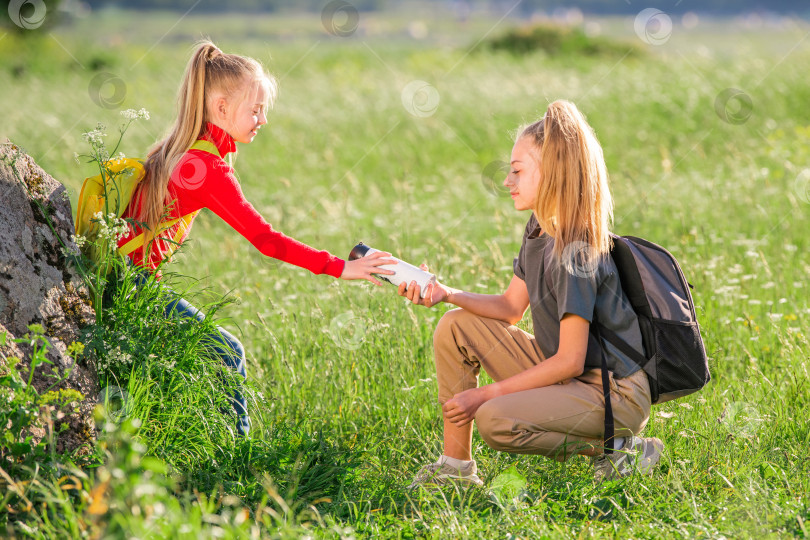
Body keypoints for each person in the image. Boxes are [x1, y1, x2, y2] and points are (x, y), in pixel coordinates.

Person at [118, 41, 395, 437]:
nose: (262, 119)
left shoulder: (177, 149)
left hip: (120, 277)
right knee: (228, 352)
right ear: (221, 107)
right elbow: (265, 239)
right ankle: (238, 457)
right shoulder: (207, 166)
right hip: (132, 285)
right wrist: (340, 268)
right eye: (255, 109)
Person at [398, 100, 663, 487]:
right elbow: (509, 308)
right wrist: (445, 293)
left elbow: (571, 361)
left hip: (613, 392)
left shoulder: (575, 251)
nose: (507, 181)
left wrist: (485, 394)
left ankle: (619, 451)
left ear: (553, 173)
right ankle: (455, 470)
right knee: (455, 327)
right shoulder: (539, 229)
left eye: (518, 171)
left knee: (494, 418)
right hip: (570, 375)